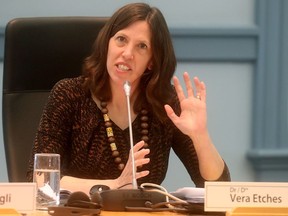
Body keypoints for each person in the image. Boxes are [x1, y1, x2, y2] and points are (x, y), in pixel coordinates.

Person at [27, 2, 230, 194]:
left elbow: (218, 188)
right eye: (121, 39)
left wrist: (200, 137)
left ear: (151, 61)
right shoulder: (69, 95)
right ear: (107, 44)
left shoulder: (164, 104)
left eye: (142, 46)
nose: (127, 53)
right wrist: (114, 185)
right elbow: (38, 180)